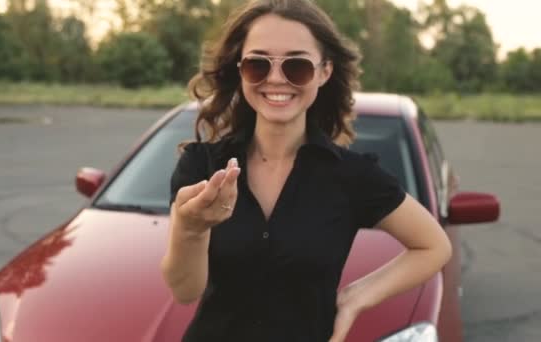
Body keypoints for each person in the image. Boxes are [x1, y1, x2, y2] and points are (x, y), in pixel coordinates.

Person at [160, 0, 452, 341]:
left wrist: (357, 297)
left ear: (324, 72)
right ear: (241, 70)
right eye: (258, 64)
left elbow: (434, 246)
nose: (275, 78)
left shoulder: (351, 176)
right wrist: (191, 229)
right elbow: (185, 291)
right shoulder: (202, 165)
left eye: (297, 66)